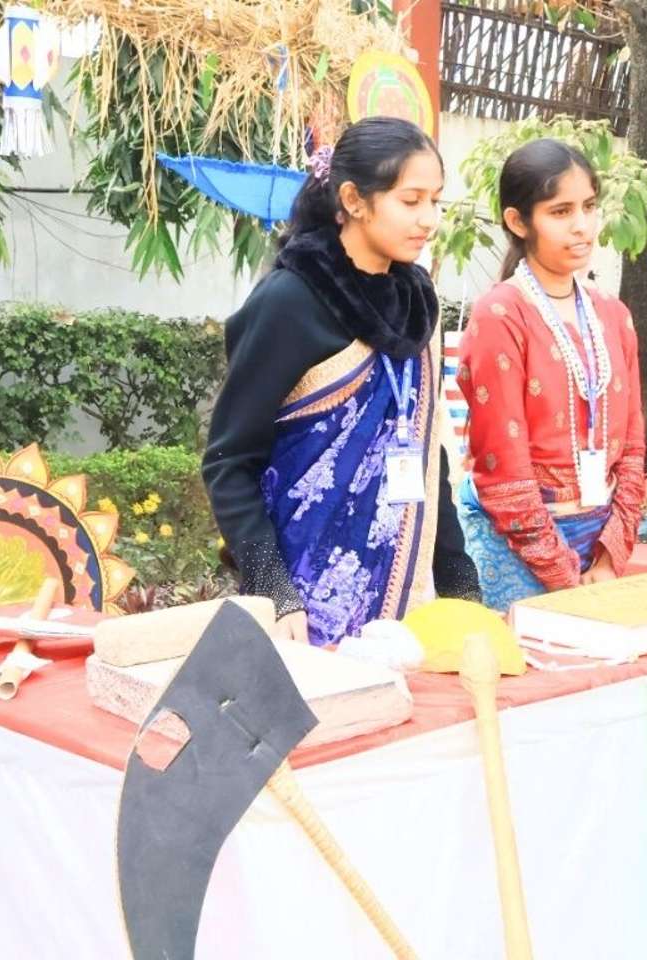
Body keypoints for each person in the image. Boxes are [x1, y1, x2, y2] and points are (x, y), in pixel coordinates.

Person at [203, 118, 479, 646]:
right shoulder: (289, 302)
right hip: (298, 606)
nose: (429, 219)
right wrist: (273, 589)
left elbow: (427, 457)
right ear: (354, 199)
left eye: (436, 201)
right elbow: (229, 462)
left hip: (402, 614)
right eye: (411, 200)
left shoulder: (417, 305)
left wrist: (459, 581)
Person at [456, 138, 646, 612]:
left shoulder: (614, 315)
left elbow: (633, 442)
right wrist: (564, 574)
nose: (582, 225)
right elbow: (502, 464)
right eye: (561, 212)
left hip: (601, 545)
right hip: (516, 547)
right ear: (518, 221)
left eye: (589, 206)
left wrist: (610, 555)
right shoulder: (501, 315)